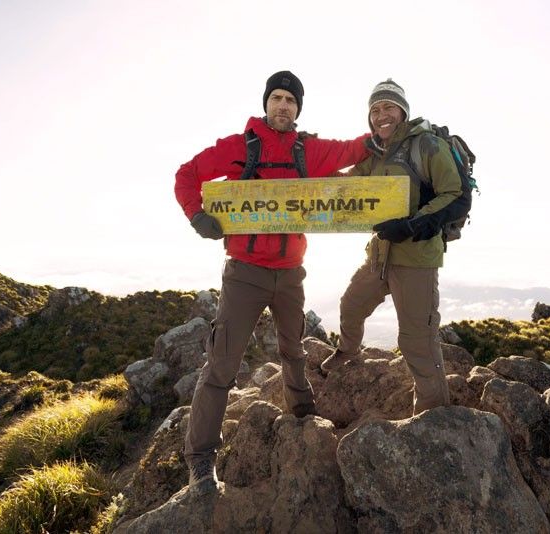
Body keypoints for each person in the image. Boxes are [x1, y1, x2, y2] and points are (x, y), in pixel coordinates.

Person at [174, 70, 369, 492]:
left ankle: (301, 416)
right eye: (277, 98)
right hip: (245, 272)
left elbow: (352, 149)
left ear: (298, 109)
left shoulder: (308, 150)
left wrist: (388, 128)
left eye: (291, 101)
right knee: (223, 362)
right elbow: (186, 174)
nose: (283, 106)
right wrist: (196, 215)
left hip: (291, 274)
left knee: (293, 349)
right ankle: (200, 457)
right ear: (266, 103)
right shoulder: (238, 147)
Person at [319, 79, 464, 416]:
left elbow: (454, 195)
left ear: (402, 111)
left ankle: (433, 415)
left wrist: (412, 225)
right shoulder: (377, 153)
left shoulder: (425, 145)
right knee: (351, 304)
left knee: (417, 340)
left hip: (416, 258)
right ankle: (349, 351)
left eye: (388, 107)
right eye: (374, 110)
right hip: (381, 253)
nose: (381, 115)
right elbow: (350, 184)